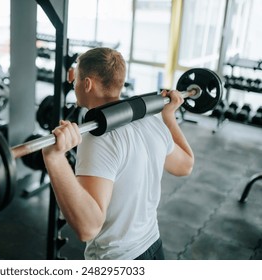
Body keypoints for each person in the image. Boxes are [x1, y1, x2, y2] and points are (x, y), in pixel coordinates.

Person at [42, 47, 194, 260]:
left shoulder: (98, 137)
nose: (74, 85)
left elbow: (88, 228)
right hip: (153, 248)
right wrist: (169, 116)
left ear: (87, 84)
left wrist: (55, 159)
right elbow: (185, 165)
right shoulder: (152, 120)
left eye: (76, 80)